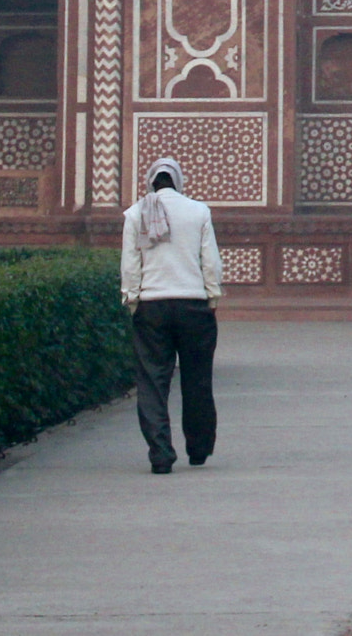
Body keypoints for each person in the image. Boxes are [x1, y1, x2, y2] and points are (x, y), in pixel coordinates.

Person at [120, 155, 224, 473]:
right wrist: (212, 294)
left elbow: (130, 263)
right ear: (178, 182)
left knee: (152, 382)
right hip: (193, 304)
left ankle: (161, 454)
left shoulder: (137, 213)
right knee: (197, 379)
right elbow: (210, 260)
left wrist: (132, 300)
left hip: (152, 306)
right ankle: (198, 448)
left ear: (151, 181)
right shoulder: (198, 211)